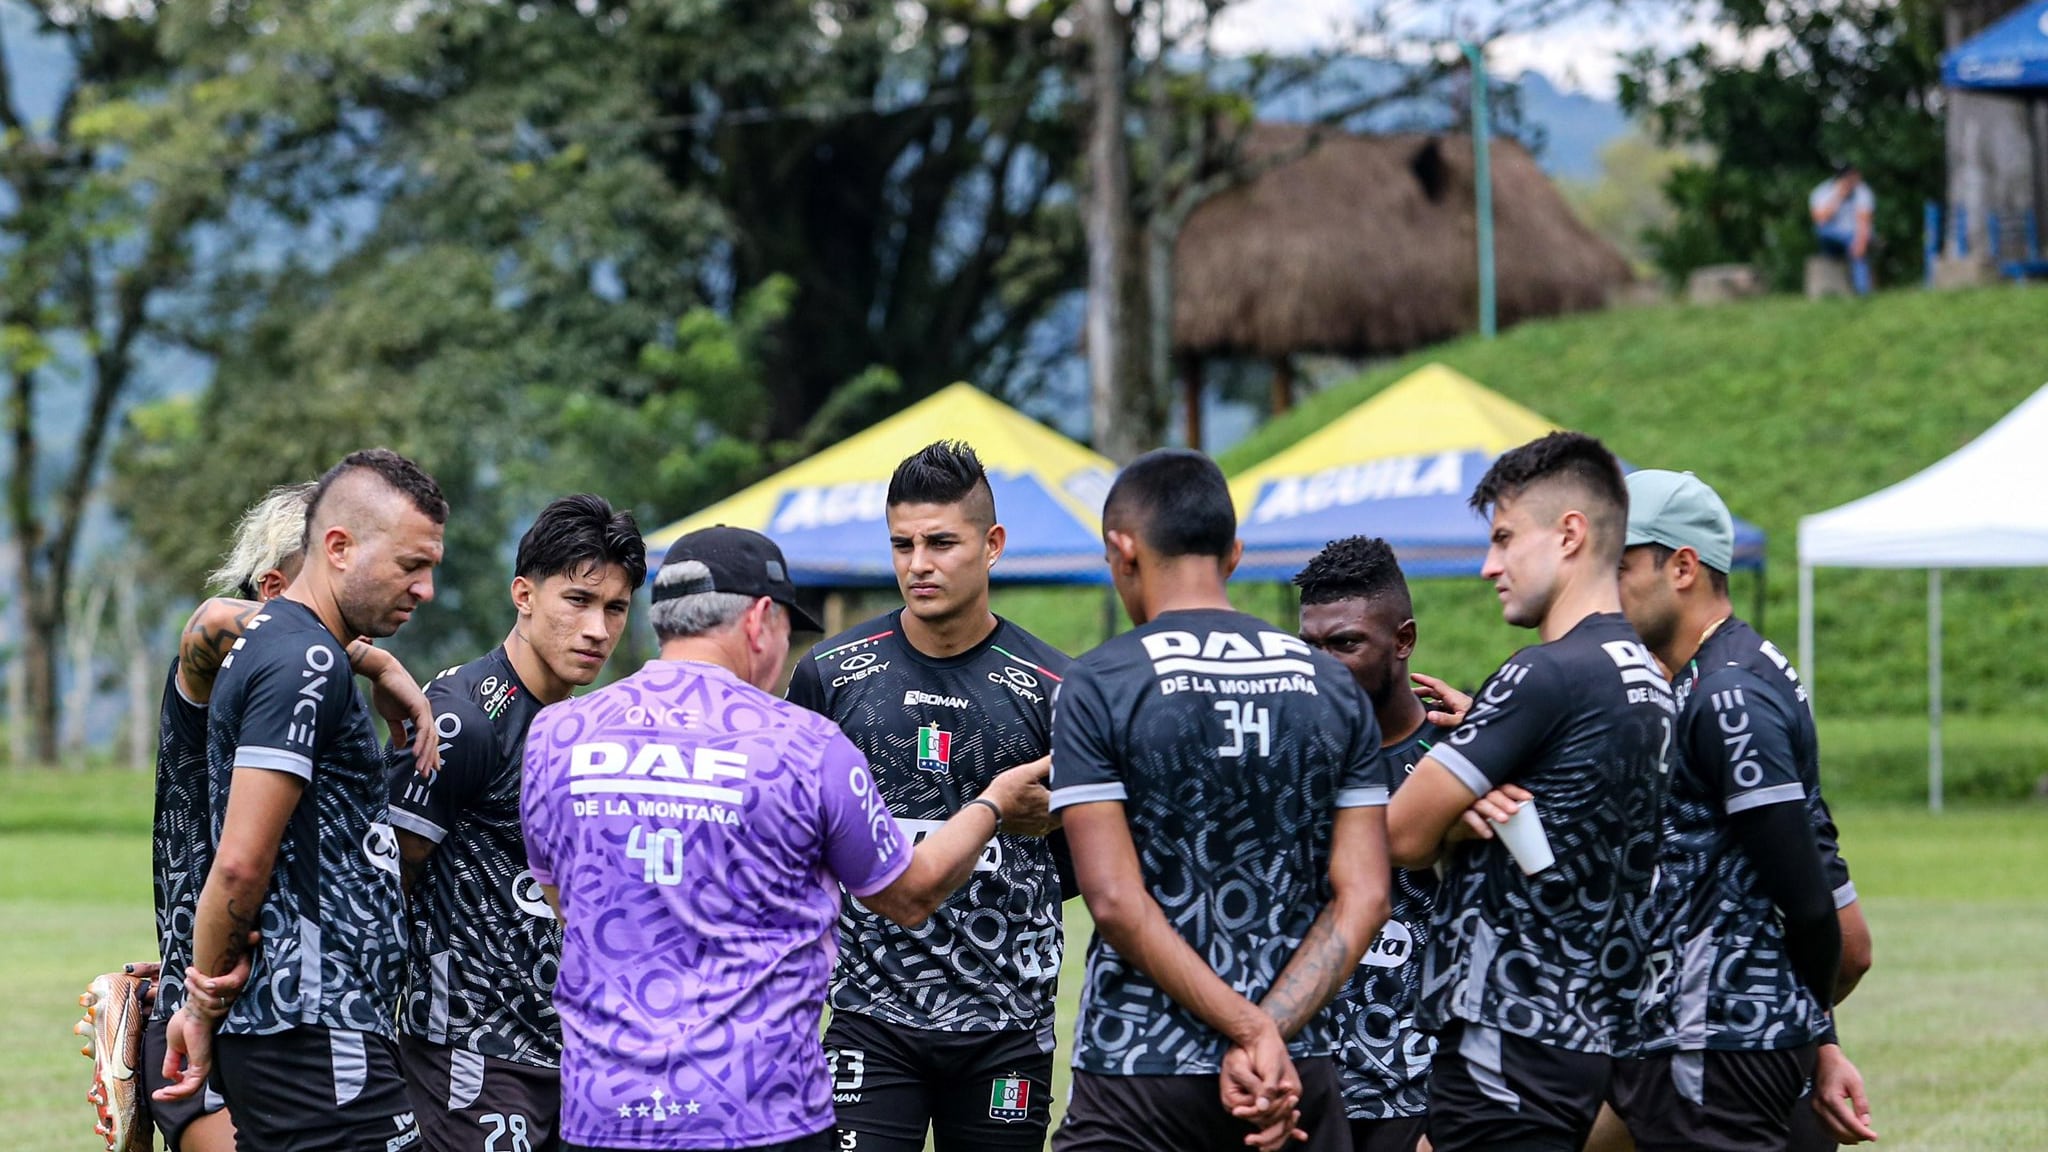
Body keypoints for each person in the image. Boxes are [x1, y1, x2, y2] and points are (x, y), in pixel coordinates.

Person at [519, 525, 1055, 1152]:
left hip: (604, 1113)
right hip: (761, 1116)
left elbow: (569, 904)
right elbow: (910, 895)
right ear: (759, 621)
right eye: (784, 632)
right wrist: (993, 804)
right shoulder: (806, 747)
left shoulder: (557, 736)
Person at [1049, 448, 1393, 1152]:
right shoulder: (1333, 689)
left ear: (1122, 549)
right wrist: (1269, 1032)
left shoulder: (1102, 683)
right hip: (1293, 1073)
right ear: (1233, 553)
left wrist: (1244, 1027)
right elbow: (1364, 898)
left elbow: (1113, 899)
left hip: (1136, 1067)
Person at [1385, 431, 1673, 1152]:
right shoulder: (1646, 675)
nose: (1489, 566)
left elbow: (1400, 835)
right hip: (1602, 1031)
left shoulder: (1542, 674)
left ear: (1570, 534)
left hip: (1510, 1037)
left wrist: (1449, 819)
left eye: (1506, 538)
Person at [157, 448, 450, 1152]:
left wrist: (375, 660)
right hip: (313, 1023)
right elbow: (238, 866)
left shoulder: (280, 643)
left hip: (311, 1027)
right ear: (339, 548)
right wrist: (197, 1005)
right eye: (412, 565)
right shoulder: (305, 661)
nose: (428, 588)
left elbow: (209, 623)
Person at [784, 441, 1072, 1152]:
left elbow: (1081, 861)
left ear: (992, 544)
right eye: (903, 544)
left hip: (1005, 1025)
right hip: (869, 1017)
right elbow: (800, 845)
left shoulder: (1056, 686)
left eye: (941, 542)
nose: (919, 563)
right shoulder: (831, 675)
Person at [1603, 469, 1878, 1151]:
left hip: (1716, 1047)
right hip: (1691, 1037)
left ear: (1684, 567)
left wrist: (1808, 1034)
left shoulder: (1727, 695)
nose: (1603, 590)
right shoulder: (1711, 672)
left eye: (1621, 565)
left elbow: (1824, 917)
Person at [388, 495, 648, 1152]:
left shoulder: (595, 728)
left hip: (575, 1057)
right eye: (578, 600)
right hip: (469, 1054)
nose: (598, 628)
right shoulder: (464, 717)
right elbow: (389, 876)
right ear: (523, 595)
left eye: (615, 608)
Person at [1295, 536, 1463, 1152]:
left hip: (1417, 1102)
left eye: (1345, 644)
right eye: (1309, 645)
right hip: (1303, 1091)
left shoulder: (1457, 761)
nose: (1321, 665)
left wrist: (1448, 1115)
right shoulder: (1283, 760)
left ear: (1404, 640)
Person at [1809, 164, 1874, 296]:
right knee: (1825, 231)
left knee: (1856, 245)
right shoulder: (1822, 192)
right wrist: (1838, 197)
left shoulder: (1862, 191)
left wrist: (1860, 242)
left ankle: (1863, 292)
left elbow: (1864, 221)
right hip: (1830, 237)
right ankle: (1863, 292)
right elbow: (1820, 220)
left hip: (1854, 237)